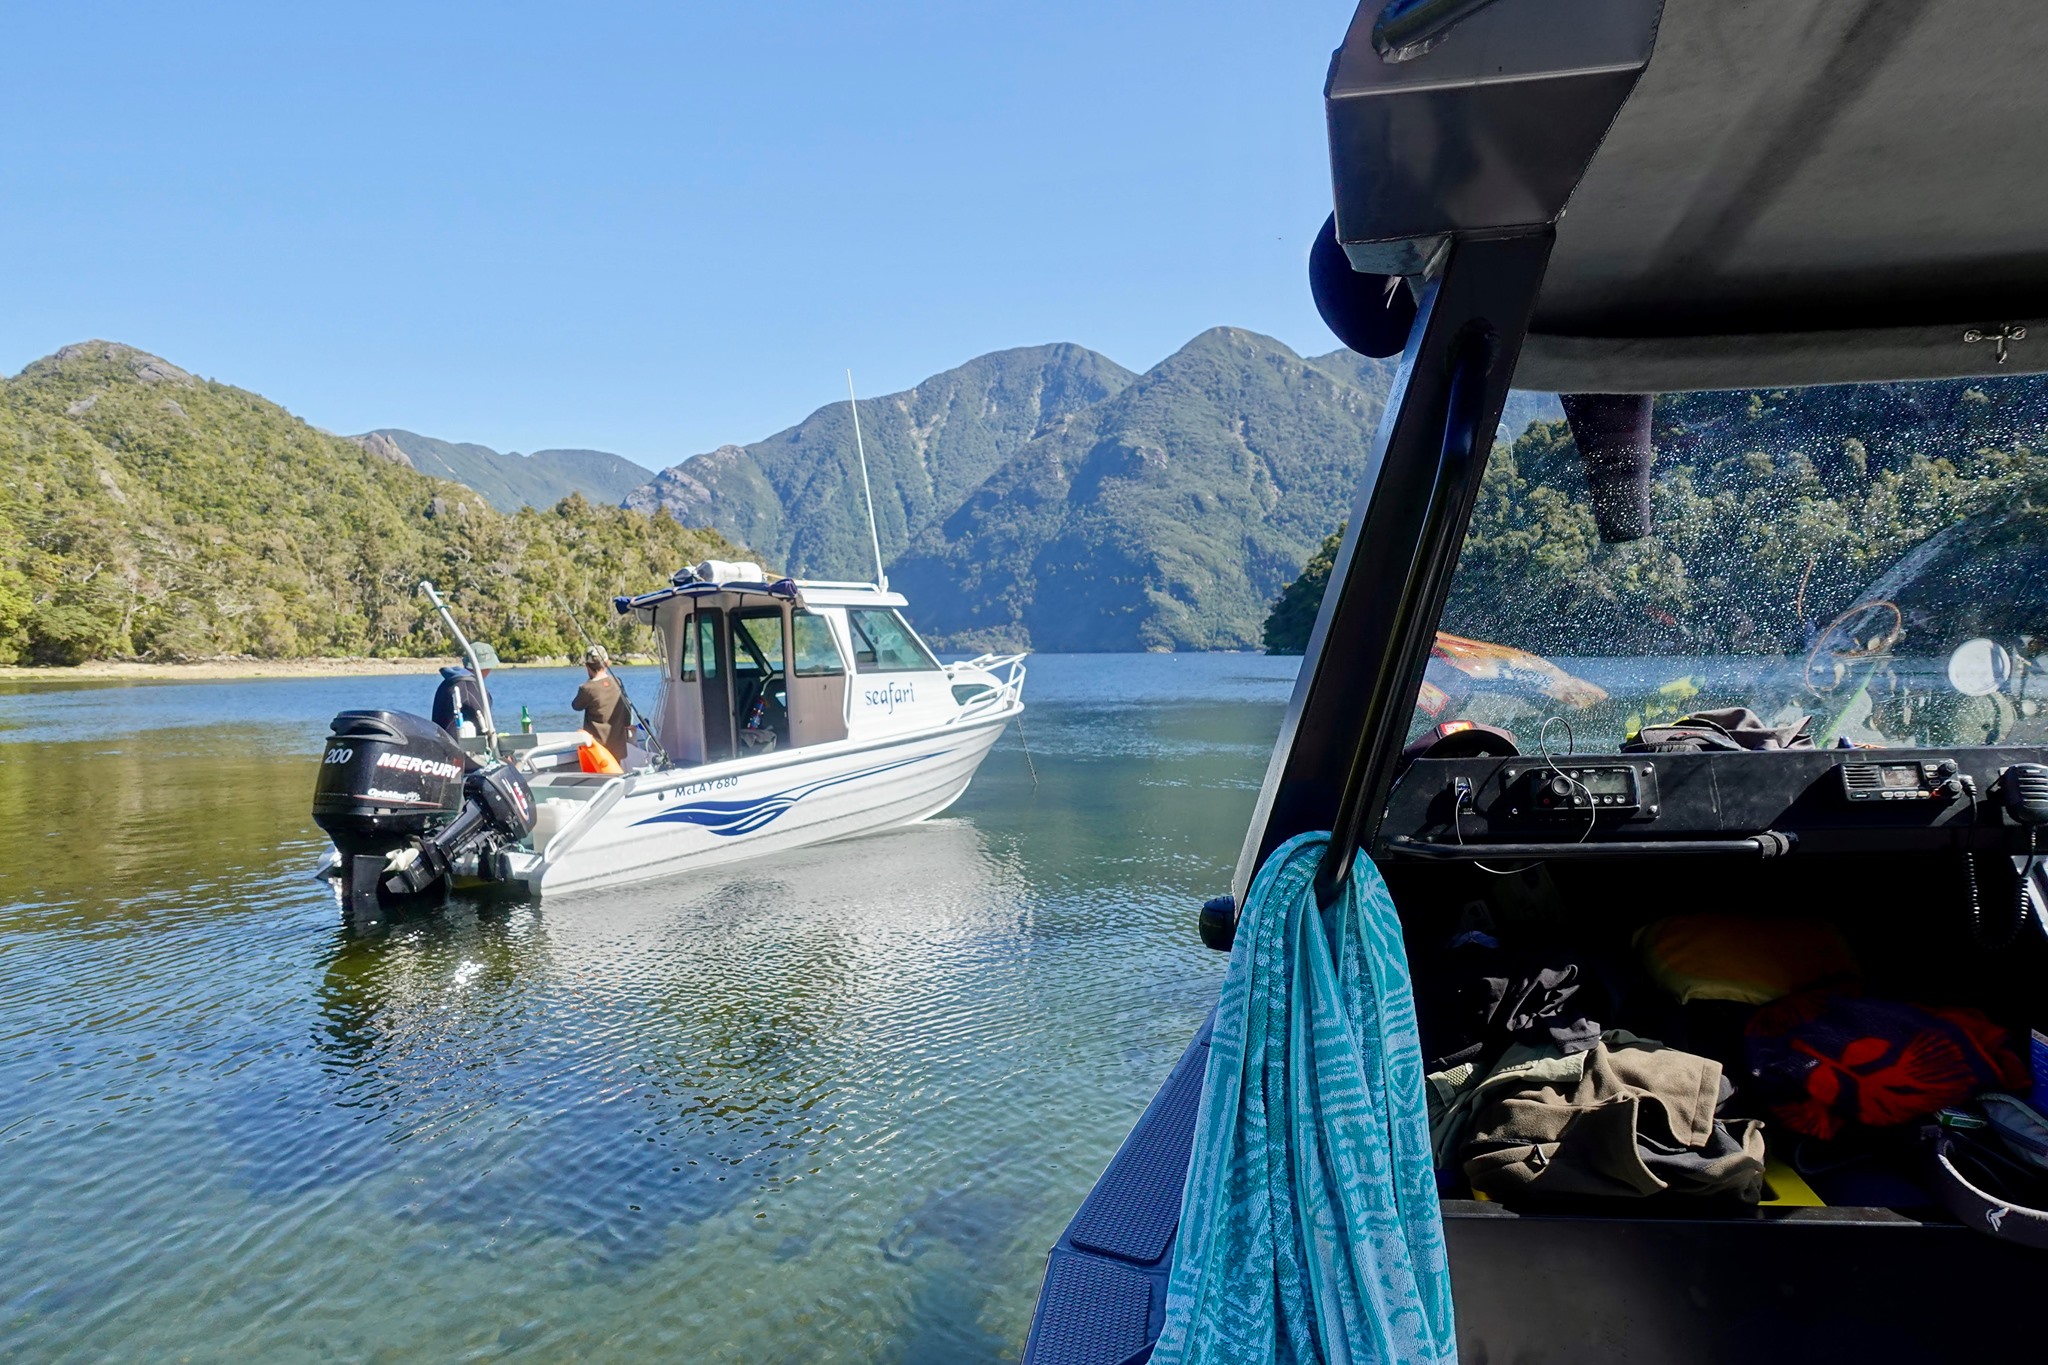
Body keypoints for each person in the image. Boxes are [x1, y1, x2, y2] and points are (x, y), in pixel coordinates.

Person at [572, 645, 632, 761]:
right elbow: (627, 709)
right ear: (606, 663)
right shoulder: (617, 682)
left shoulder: (587, 688)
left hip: (597, 751)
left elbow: (576, 706)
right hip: (617, 748)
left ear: (587, 666)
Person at [432, 643, 498, 737]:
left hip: (442, 745)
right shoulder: (470, 688)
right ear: (486, 666)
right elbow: (484, 728)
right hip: (460, 749)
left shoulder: (448, 683)